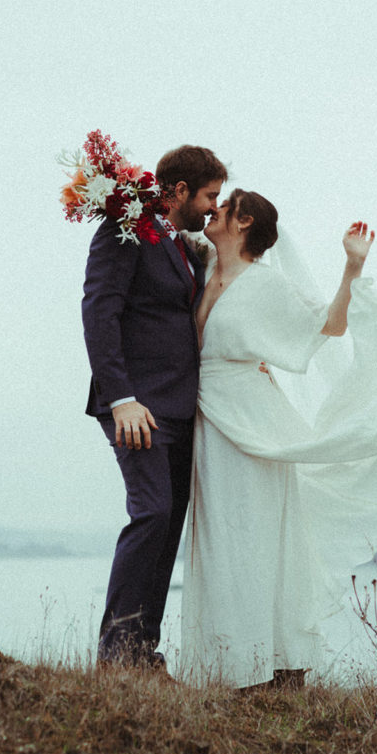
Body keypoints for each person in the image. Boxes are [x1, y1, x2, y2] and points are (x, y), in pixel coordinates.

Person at [180, 189, 377, 688]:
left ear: (243, 221)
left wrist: (351, 266)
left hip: (252, 421)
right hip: (208, 416)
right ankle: (223, 665)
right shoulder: (199, 272)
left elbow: (331, 323)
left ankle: (274, 665)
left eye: (222, 205)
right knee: (217, 536)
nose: (210, 211)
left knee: (255, 535)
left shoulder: (265, 284)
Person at [82, 144, 227, 667]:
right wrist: (121, 398)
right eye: (210, 195)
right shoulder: (125, 229)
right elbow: (100, 311)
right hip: (136, 406)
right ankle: (117, 653)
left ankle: (144, 653)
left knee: (168, 526)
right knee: (152, 513)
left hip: (180, 409)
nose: (214, 206)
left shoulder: (183, 247)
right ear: (180, 190)